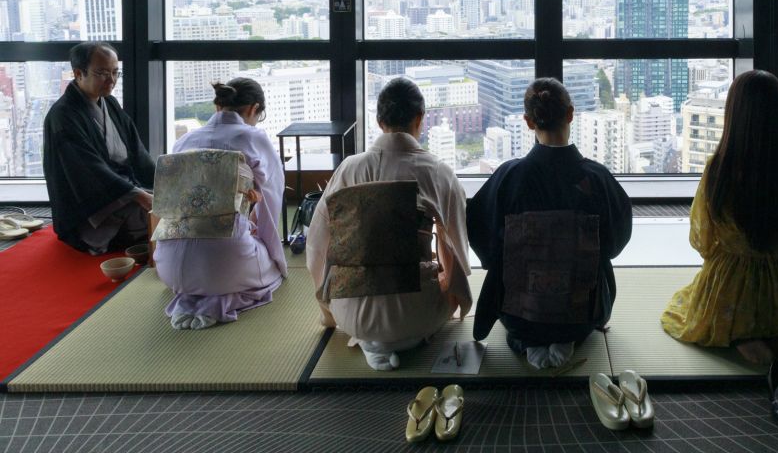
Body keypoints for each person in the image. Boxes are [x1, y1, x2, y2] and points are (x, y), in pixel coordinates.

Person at [660, 70, 778, 437]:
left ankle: (754, 346)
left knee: (713, 318)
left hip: (730, 284)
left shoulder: (719, 169)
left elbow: (703, 241)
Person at [307, 77, 472, 371]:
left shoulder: (349, 168)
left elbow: (318, 245)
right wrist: (456, 291)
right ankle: (405, 340)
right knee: (444, 284)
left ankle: (372, 341)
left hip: (352, 316)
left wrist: (329, 305)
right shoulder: (438, 171)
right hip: (416, 313)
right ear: (419, 119)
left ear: (379, 121)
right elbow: (457, 248)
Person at [468, 77, 632, 370]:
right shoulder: (596, 178)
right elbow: (615, 243)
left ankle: (531, 339)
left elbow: (482, 236)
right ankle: (564, 336)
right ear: (570, 114)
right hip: (583, 313)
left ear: (528, 122)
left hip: (519, 315)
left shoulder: (509, 177)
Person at [154, 79, 288, 330]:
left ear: (219, 106)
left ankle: (195, 287)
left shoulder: (184, 141)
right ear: (253, 108)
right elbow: (271, 198)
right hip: (225, 264)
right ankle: (219, 294)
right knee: (272, 272)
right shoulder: (252, 137)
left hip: (170, 268)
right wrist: (274, 254)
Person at [43, 41, 155, 254]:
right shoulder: (63, 116)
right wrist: (139, 195)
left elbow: (137, 153)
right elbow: (88, 169)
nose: (111, 80)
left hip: (123, 187)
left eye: (115, 72)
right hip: (92, 208)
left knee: (169, 202)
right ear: (78, 73)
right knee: (157, 213)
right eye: (102, 73)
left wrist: (162, 183)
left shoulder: (109, 103)